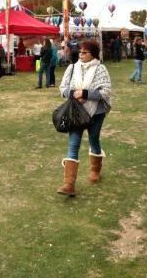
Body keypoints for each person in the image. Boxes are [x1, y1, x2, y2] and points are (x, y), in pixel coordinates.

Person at [57, 41, 111, 196]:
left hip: (97, 112)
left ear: (93, 53)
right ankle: (69, 184)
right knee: (73, 144)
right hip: (76, 111)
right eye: (80, 52)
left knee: (94, 140)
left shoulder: (101, 69)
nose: (81, 55)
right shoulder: (72, 67)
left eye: (84, 52)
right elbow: (63, 88)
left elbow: (105, 91)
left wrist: (85, 94)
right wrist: (74, 94)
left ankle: (95, 170)